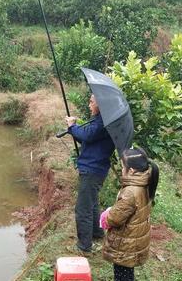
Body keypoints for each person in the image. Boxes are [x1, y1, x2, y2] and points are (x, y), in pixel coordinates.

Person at [99, 147, 159, 281]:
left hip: (125, 243)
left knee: (122, 275)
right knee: (127, 273)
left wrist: (106, 216)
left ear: (131, 171)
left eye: (122, 168)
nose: (121, 171)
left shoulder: (131, 192)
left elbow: (115, 219)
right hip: (133, 239)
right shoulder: (145, 183)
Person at [65, 94, 115, 253]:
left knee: (83, 208)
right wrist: (74, 130)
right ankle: (97, 232)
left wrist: (73, 126)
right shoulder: (102, 121)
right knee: (92, 204)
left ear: (99, 105)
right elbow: (88, 139)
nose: (89, 105)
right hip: (96, 168)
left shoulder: (102, 123)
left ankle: (84, 246)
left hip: (92, 169)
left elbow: (87, 135)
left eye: (92, 102)